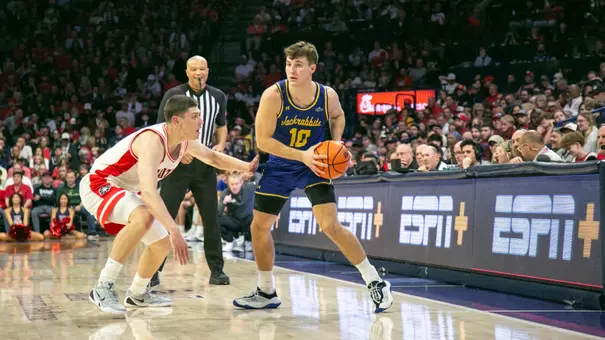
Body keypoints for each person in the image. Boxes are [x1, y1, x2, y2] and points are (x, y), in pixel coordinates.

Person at [233, 41, 393, 313]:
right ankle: (266, 290)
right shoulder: (273, 95)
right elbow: (263, 141)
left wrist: (337, 143)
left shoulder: (327, 95)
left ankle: (375, 280)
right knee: (259, 226)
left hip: (316, 164)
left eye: (298, 65)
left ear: (312, 68)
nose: (291, 70)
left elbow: (339, 116)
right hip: (282, 164)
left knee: (330, 226)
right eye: (288, 64)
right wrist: (301, 155)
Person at [81, 95, 258, 313]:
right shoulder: (152, 141)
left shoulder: (185, 143)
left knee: (161, 244)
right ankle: (102, 287)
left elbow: (213, 158)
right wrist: (174, 229)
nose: (201, 122)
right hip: (99, 183)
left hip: (125, 191)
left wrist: (246, 166)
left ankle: (137, 294)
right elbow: (148, 192)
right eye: (195, 117)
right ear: (176, 121)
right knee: (146, 218)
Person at [152, 55, 230, 287]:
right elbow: (161, 127)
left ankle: (217, 270)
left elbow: (221, 125)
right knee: (165, 218)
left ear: (208, 70)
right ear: (187, 72)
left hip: (204, 165)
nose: (199, 73)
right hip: (176, 165)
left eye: (202, 69)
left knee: (211, 218)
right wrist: (176, 149)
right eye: (194, 69)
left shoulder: (218, 96)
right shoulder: (173, 96)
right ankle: (153, 271)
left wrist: (220, 145)